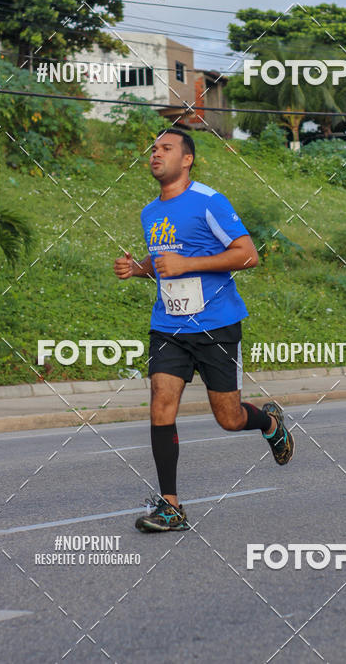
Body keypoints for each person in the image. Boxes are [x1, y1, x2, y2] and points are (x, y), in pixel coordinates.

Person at [113, 127, 294, 533]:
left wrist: (187, 265)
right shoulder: (149, 212)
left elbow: (248, 255)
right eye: (153, 149)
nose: (155, 154)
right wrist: (137, 269)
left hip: (216, 324)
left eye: (166, 148)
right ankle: (170, 505)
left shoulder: (209, 201)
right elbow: (163, 263)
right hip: (168, 326)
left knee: (228, 418)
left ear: (187, 159)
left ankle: (268, 424)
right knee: (161, 402)